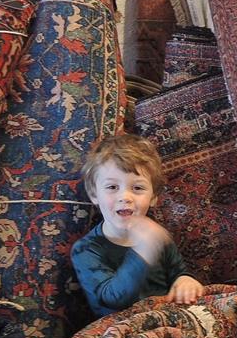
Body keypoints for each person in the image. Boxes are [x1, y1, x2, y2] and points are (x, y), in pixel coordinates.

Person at [72, 134, 205, 317]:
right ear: (94, 194)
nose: (125, 197)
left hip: (166, 318)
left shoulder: (156, 236)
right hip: (118, 327)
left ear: (153, 197)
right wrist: (143, 251)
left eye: (137, 188)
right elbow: (112, 299)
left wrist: (185, 281)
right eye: (112, 187)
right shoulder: (86, 250)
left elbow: (178, 272)